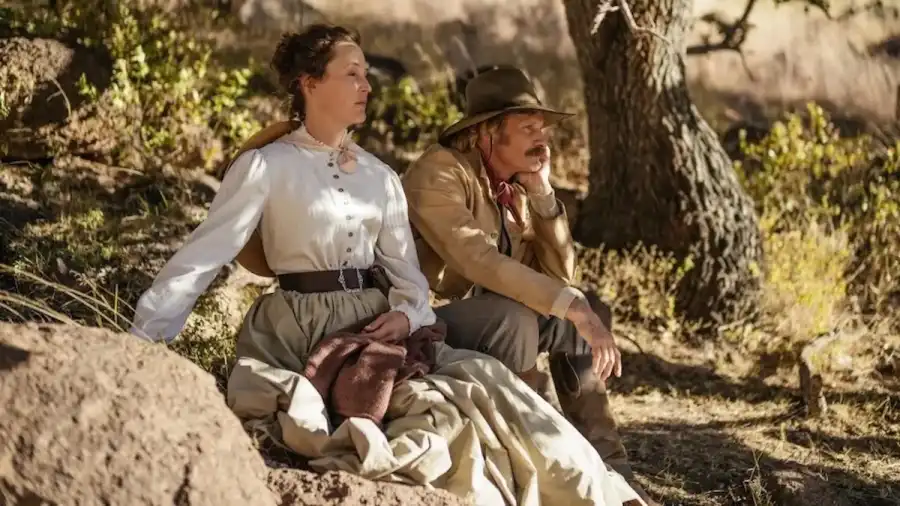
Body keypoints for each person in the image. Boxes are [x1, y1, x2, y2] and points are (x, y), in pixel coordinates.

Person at [127, 24, 647, 506]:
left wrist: (406, 313)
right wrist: (142, 343)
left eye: (366, 75)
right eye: (351, 74)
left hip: (377, 321)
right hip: (298, 322)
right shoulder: (266, 165)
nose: (367, 85)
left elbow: (408, 277)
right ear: (310, 83)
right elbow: (203, 255)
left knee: (487, 385)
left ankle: (604, 487)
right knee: (441, 411)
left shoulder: (378, 176)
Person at [401, 66, 658, 505]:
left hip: (495, 321)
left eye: (543, 128)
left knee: (586, 309)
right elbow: (476, 259)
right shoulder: (439, 172)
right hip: (426, 324)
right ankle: (542, 458)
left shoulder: (515, 186)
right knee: (518, 318)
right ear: (487, 132)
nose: (543, 139)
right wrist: (571, 305)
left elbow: (560, 278)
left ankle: (613, 472)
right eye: (528, 128)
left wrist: (542, 194)